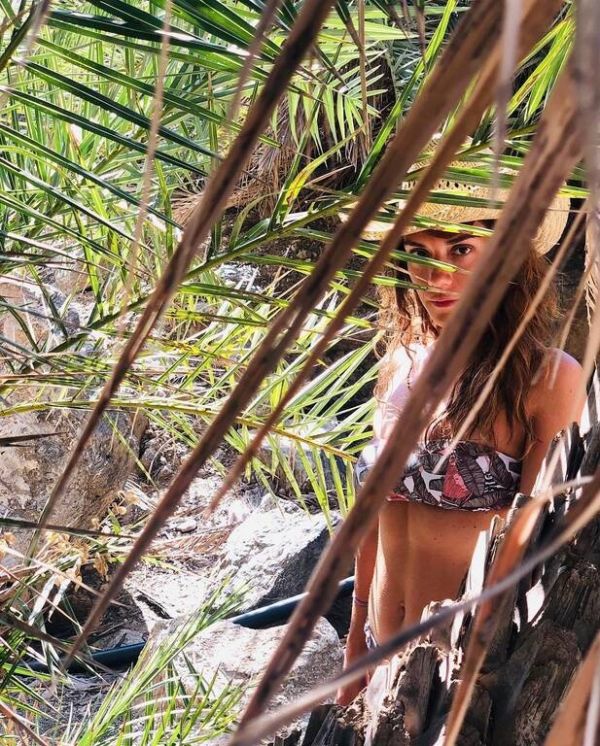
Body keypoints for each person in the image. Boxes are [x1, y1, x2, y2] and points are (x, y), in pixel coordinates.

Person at [336, 159, 582, 705]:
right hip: (381, 652)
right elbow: (372, 520)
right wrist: (354, 646)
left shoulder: (546, 379)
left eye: (461, 250)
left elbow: (533, 549)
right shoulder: (400, 364)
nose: (436, 277)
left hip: (457, 674)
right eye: (418, 253)